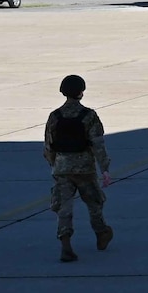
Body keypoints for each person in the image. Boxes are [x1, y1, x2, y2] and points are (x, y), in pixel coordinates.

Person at [43, 74, 113, 263]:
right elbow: (98, 144)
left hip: (62, 169)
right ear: (81, 92)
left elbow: (49, 145)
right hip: (85, 169)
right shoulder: (89, 115)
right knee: (94, 204)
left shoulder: (54, 116)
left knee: (64, 208)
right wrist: (104, 168)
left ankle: (65, 244)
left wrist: (55, 165)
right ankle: (101, 232)